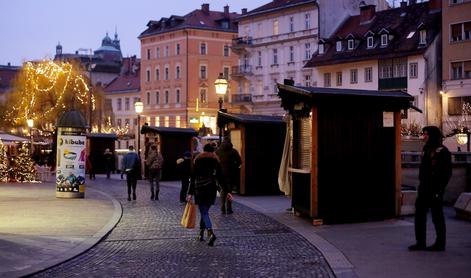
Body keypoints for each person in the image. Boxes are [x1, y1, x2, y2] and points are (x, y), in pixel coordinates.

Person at [409, 126, 452, 252]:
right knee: (419, 215)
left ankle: (440, 243)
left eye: (426, 134)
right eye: (424, 134)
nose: (424, 136)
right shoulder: (426, 149)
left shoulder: (442, 151)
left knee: (437, 216)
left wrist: (439, 190)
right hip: (424, 188)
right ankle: (420, 242)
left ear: (433, 135)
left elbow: (446, 173)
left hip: (435, 189)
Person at [187, 143, 230, 246]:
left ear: (203, 151)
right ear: (212, 152)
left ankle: (210, 233)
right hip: (211, 189)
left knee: (204, 212)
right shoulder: (216, 161)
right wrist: (227, 191)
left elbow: (193, 178)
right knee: (204, 211)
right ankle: (201, 234)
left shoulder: (198, 160)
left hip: (200, 189)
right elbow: (221, 177)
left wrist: (190, 193)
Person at [216, 137, 241, 214]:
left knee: (223, 190)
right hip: (231, 173)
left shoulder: (218, 151)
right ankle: (229, 208)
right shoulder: (233, 151)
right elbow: (240, 161)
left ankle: (222, 207)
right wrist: (234, 167)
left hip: (220, 174)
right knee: (229, 190)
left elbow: (215, 162)